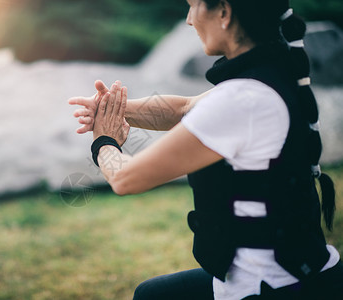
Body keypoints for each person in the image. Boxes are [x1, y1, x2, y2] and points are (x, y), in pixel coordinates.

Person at [68, 0, 343, 299]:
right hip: (301, 268)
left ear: (223, 12)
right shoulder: (266, 78)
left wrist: (103, 140)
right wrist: (113, 108)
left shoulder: (242, 100)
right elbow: (183, 108)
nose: (189, 20)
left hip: (273, 286)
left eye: (193, 6)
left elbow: (126, 178)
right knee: (151, 294)